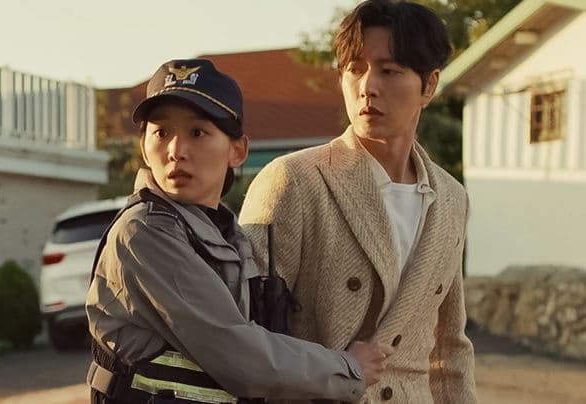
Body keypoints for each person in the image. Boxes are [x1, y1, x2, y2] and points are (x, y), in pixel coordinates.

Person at [85, 58, 392, 404]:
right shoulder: (143, 233)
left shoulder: (226, 233)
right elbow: (238, 353)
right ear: (143, 146)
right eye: (161, 133)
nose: (176, 151)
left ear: (238, 150)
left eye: (197, 133)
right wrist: (349, 368)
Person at [239, 1, 478, 403]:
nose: (367, 86)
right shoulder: (295, 180)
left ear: (429, 85)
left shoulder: (452, 198)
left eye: (389, 70)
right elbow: (246, 328)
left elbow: (449, 348)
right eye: (354, 68)